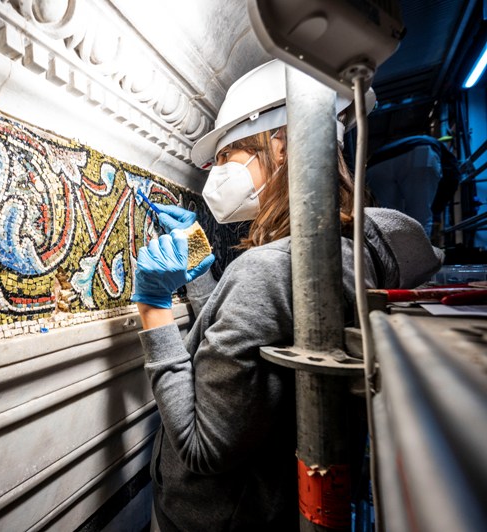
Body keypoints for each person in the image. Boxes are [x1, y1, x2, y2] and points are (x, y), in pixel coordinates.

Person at [131, 59, 444, 531]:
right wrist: (199, 271)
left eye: (226, 156)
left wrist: (153, 308)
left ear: (280, 145)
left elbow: (203, 448)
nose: (215, 173)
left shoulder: (268, 267)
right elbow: (251, 343)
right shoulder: (346, 255)